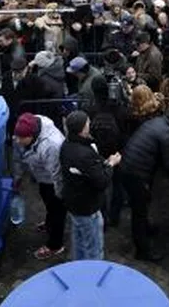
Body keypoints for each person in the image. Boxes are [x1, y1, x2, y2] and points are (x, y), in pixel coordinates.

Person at [121, 100, 169, 261]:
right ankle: (142, 251)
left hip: (129, 166)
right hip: (136, 174)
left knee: (142, 204)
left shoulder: (156, 122)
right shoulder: (167, 133)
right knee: (139, 211)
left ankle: (146, 228)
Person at [59, 110, 120, 260]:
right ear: (82, 129)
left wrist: (102, 165)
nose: (89, 126)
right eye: (87, 124)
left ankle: (79, 269)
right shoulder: (84, 153)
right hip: (87, 207)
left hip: (74, 203)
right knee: (94, 249)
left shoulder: (66, 146)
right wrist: (111, 164)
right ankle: (93, 276)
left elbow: (88, 171)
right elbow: (102, 181)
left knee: (79, 243)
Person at [13, 112, 67, 260]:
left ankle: (55, 245)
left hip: (53, 180)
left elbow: (57, 173)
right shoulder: (27, 127)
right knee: (49, 203)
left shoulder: (51, 146)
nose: (17, 141)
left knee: (57, 210)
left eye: (21, 138)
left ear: (31, 136)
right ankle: (50, 223)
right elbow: (18, 156)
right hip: (42, 177)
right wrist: (17, 178)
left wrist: (60, 195)